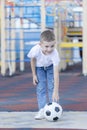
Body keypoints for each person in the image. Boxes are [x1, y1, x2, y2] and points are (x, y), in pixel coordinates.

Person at [27, 29, 60, 120]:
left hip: (50, 68)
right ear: (40, 44)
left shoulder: (55, 54)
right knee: (41, 88)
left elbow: (56, 74)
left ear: (55, 44)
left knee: (52, 87)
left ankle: (54, 108)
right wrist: (34, 75)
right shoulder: (35, 49)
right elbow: (32, 60)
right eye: (46, 46)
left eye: (52, 46)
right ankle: (42, 110)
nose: (49, 49)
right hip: (39, 68)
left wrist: (56, 91)